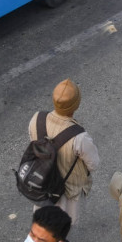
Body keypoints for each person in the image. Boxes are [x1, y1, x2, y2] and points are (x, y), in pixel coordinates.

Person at [27, 79, 100, 225]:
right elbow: (94, 164)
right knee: (62, 224)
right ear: (76, 104)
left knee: (43, 218)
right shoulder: (79, 137)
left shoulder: (37, 119)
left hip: (42, 180)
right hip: (67, 189)